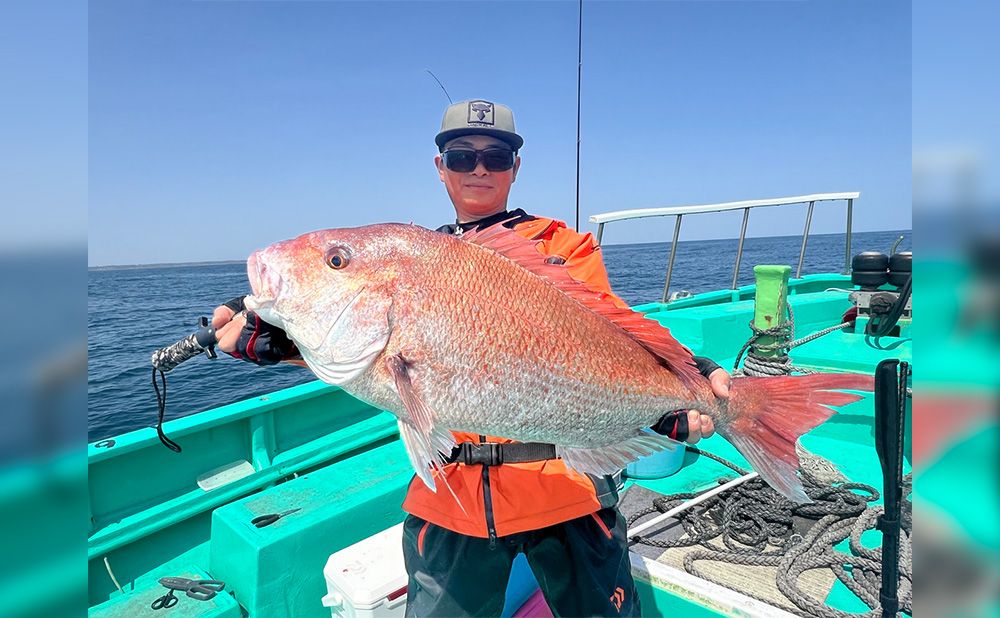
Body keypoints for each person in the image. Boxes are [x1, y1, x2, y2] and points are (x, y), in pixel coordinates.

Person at [212, 100, 731, 617]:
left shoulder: (563, 247)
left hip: (567, 490)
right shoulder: (417, 257)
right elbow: (375, 352)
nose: (479, 168)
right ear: (440, 168)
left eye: (496, 156)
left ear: (515, 167)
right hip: (450, 501)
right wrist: (284, 341)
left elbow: (607, 331)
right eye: (462, 156)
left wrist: (692, 373)